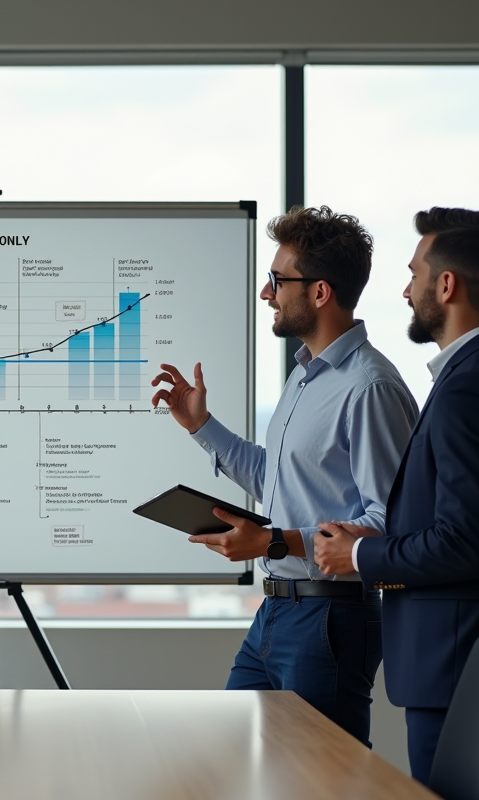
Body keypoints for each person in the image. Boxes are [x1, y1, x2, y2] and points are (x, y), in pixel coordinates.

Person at [151, 206, 417, 746]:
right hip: (277, 610)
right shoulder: (304, 377)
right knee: (232, 758)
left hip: (330, 619)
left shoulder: (370, 389)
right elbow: (275, 478)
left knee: (320, 782)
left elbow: (390, 525)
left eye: (277, 280)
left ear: (319, 292)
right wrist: (201, 425)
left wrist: (273, 541)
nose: (266, 293)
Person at [315, 208, 479, 793]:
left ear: (446, 286)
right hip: (465, 655)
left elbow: (466, 543)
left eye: (415, 271)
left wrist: (363, 558)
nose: (405, 287)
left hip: (458, 659)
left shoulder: (473, 385)